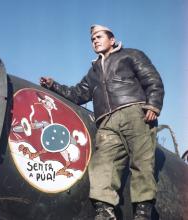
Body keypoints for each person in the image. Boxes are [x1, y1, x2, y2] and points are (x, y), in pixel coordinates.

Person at [40, 24, 164, 220]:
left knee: (142, 162)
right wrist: (54, 85)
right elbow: (78, 93)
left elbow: (152, 79)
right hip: (106, 121)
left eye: (99, 37)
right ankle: (104, 211)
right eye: (92, 39)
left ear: (112, 40)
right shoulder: (93, 72)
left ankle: (143, 211)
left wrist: (153, 105)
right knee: (103, 164)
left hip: (134, 112)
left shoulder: (131, 55)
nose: (95, 41)